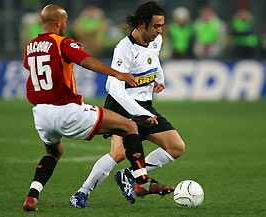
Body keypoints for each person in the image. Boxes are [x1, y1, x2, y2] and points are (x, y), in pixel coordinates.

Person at [22, 4, 170, 211]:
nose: (67, 24)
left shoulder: (31, 46)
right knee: (128, 126)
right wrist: (115, 73)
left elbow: (37, 66)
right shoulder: (63, 43)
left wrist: (70, 50)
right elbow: (86, 61)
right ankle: (141, 180)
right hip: (66, 109)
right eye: (65, 21)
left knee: (53, 153)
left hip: (41, 115)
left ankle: (32, 196)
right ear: (58, 23)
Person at [70, 1, 185, 208]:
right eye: (156, 26)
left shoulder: (155, 40)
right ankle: (80, 194)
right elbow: (114, 88)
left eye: (162, 25)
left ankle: (129, 174)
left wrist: (160, 78)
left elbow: (155, 59)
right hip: (122, 107)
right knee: (119, 153)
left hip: (144, 105)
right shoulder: (124, 49)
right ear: (142, 24)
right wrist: (140, 113)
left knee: (176, 147)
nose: (160, 31)